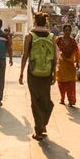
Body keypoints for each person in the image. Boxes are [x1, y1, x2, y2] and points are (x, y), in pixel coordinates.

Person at [19, 12, 57, 141]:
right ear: (45, 22)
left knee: (35, 101)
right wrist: (54, 73)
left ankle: (39, 130)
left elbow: (25, 56)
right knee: (46, 99)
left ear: (34, 21)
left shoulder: (29, 36)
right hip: (47, 72)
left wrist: (21, 73)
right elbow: (55, 58)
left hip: (33, 72)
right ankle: (43, 124)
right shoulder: (51, 36)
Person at [55, 24, 80, 107]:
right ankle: (62, 98)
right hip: (61, 65)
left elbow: (77, 51)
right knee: (61, 83)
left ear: (71, 31)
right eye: (66, 30)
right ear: (63, 31)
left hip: (70, 65)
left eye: (68, 30)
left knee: (71, 83)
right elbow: (54, 49)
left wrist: (77, 62)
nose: (67, 32)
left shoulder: (73, 41)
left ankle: (71, 100)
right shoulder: (58, 40)